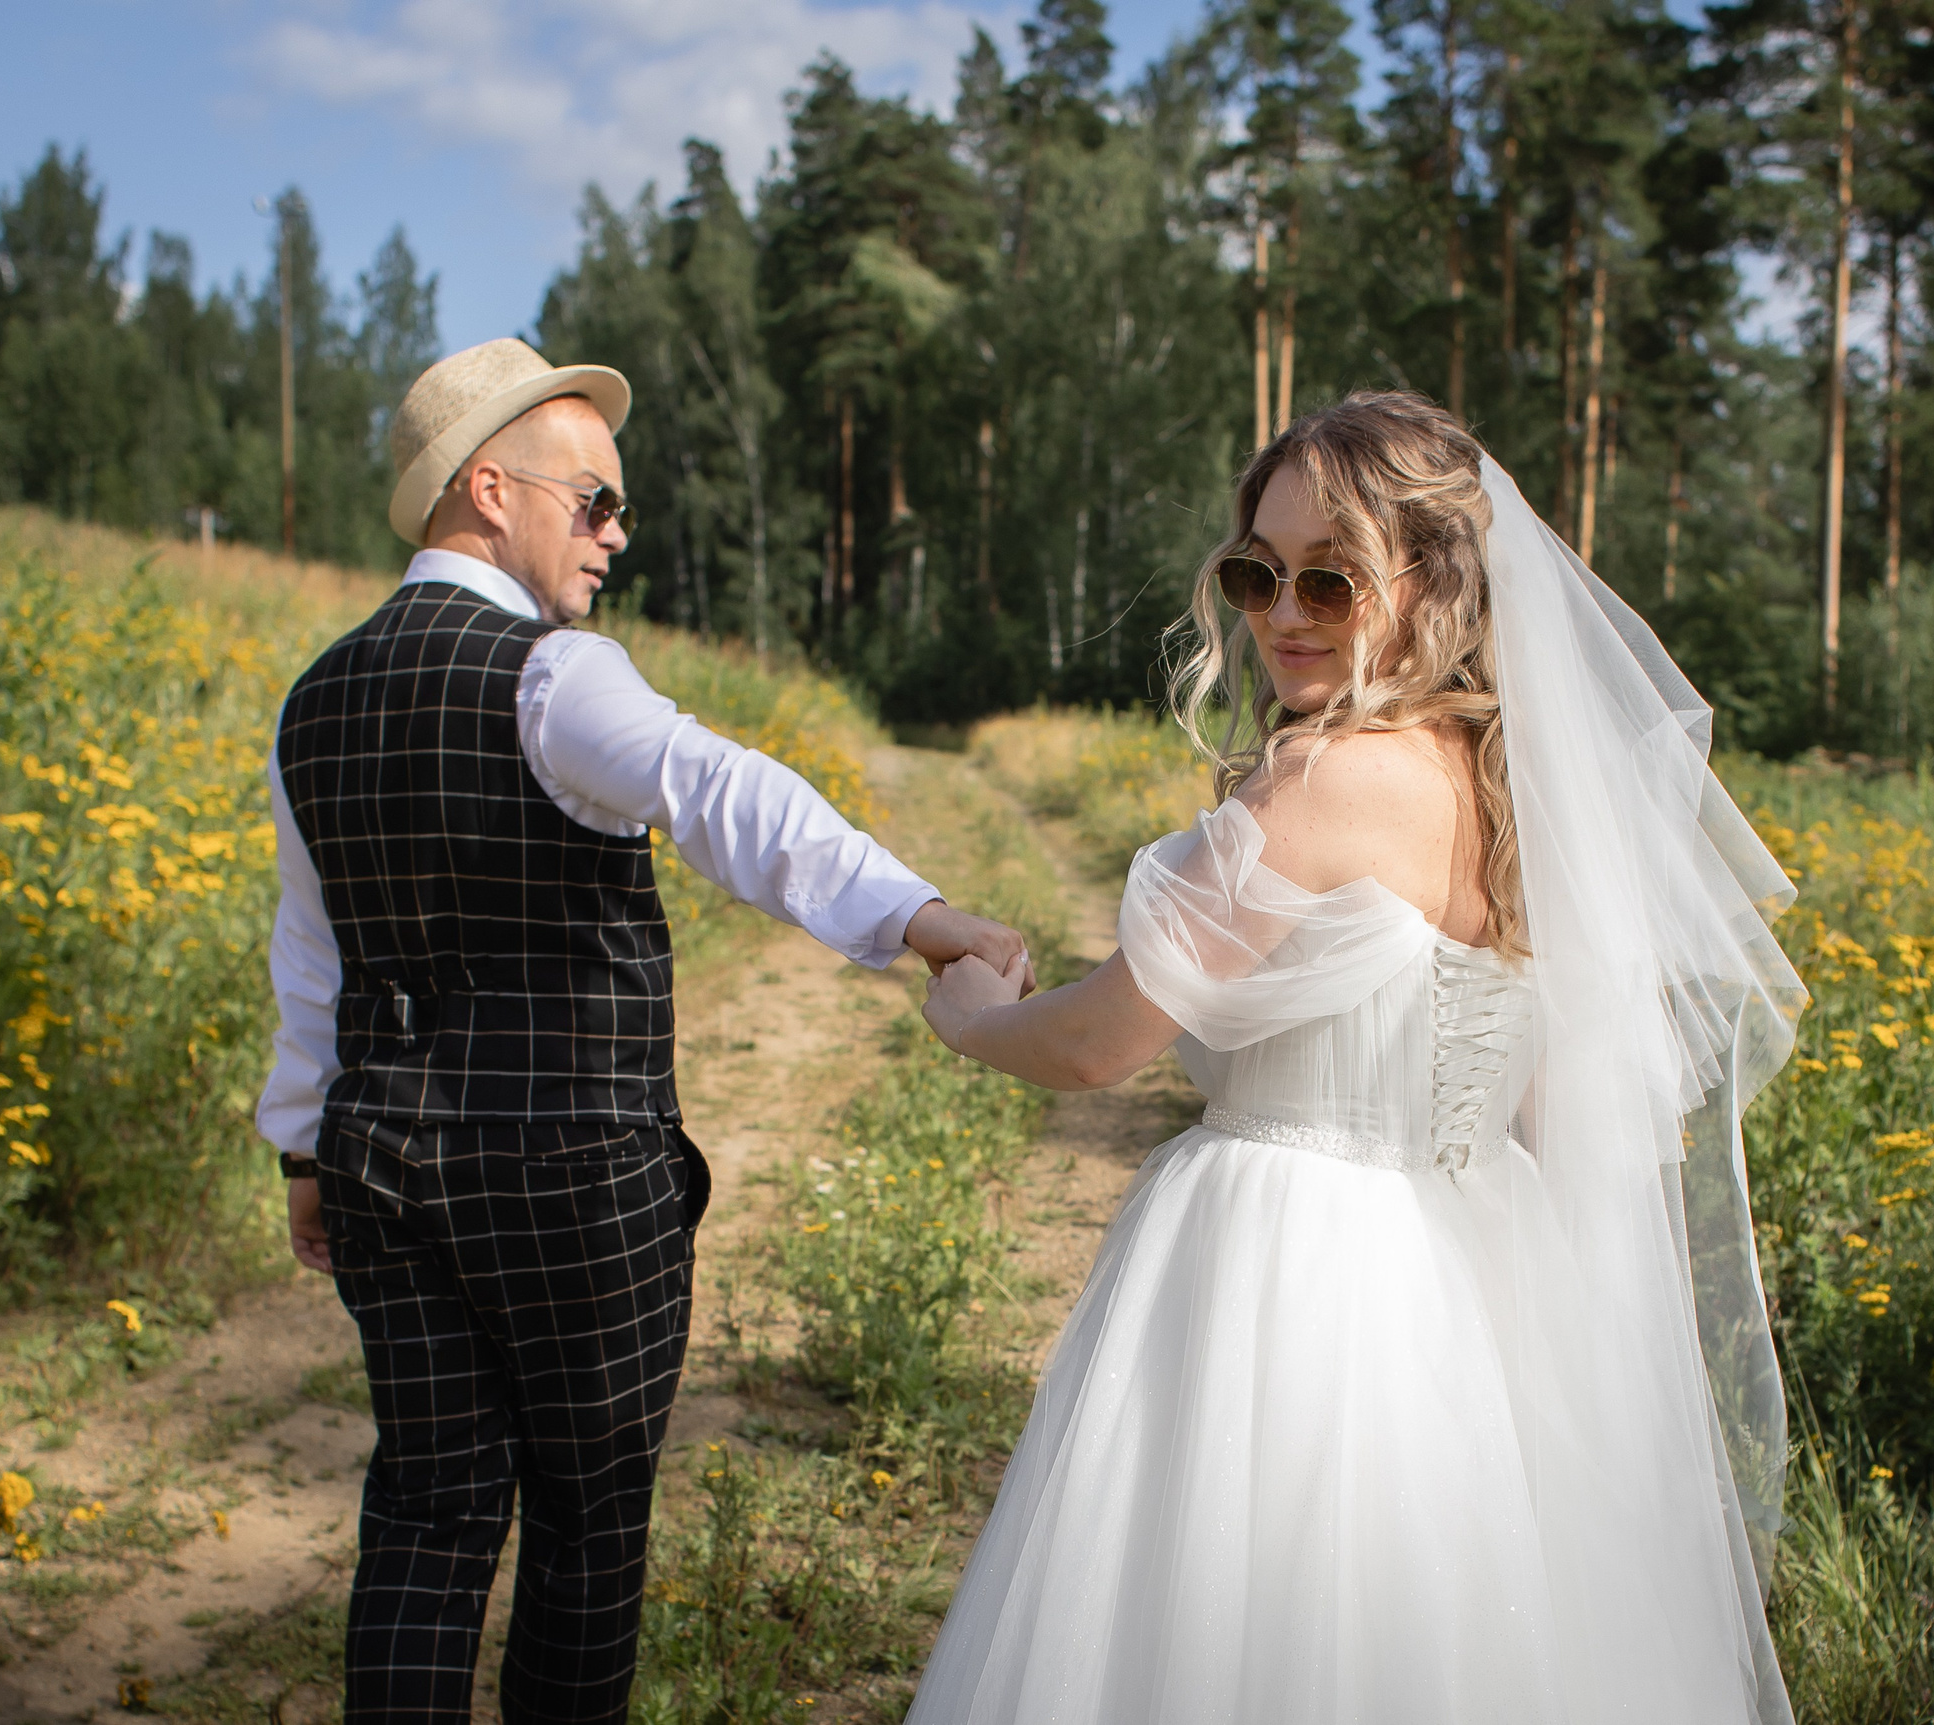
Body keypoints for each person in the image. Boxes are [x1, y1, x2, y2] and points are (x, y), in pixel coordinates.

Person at [908, 392, 1808, 1725]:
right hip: (1469, 1266)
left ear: (1435, 584)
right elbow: (1560, 1108)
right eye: (1256, 574)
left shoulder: (1324, 782)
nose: (1282, 613)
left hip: (1282, 1258)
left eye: (1329, 580)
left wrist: (975, 1017)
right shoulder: (1515, 794)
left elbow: (1102, 1041)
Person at [256, 337, 1029, 1724]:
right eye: (595, 500)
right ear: (490, 489)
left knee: (427, 1509)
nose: (616, 533)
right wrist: (922, 920)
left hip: (381, 1165)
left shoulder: (312, 701)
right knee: (587, 1521)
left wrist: (303, 1150)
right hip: (572, 1171)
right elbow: (727, 793)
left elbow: (311, 955)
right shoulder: (553, 674)